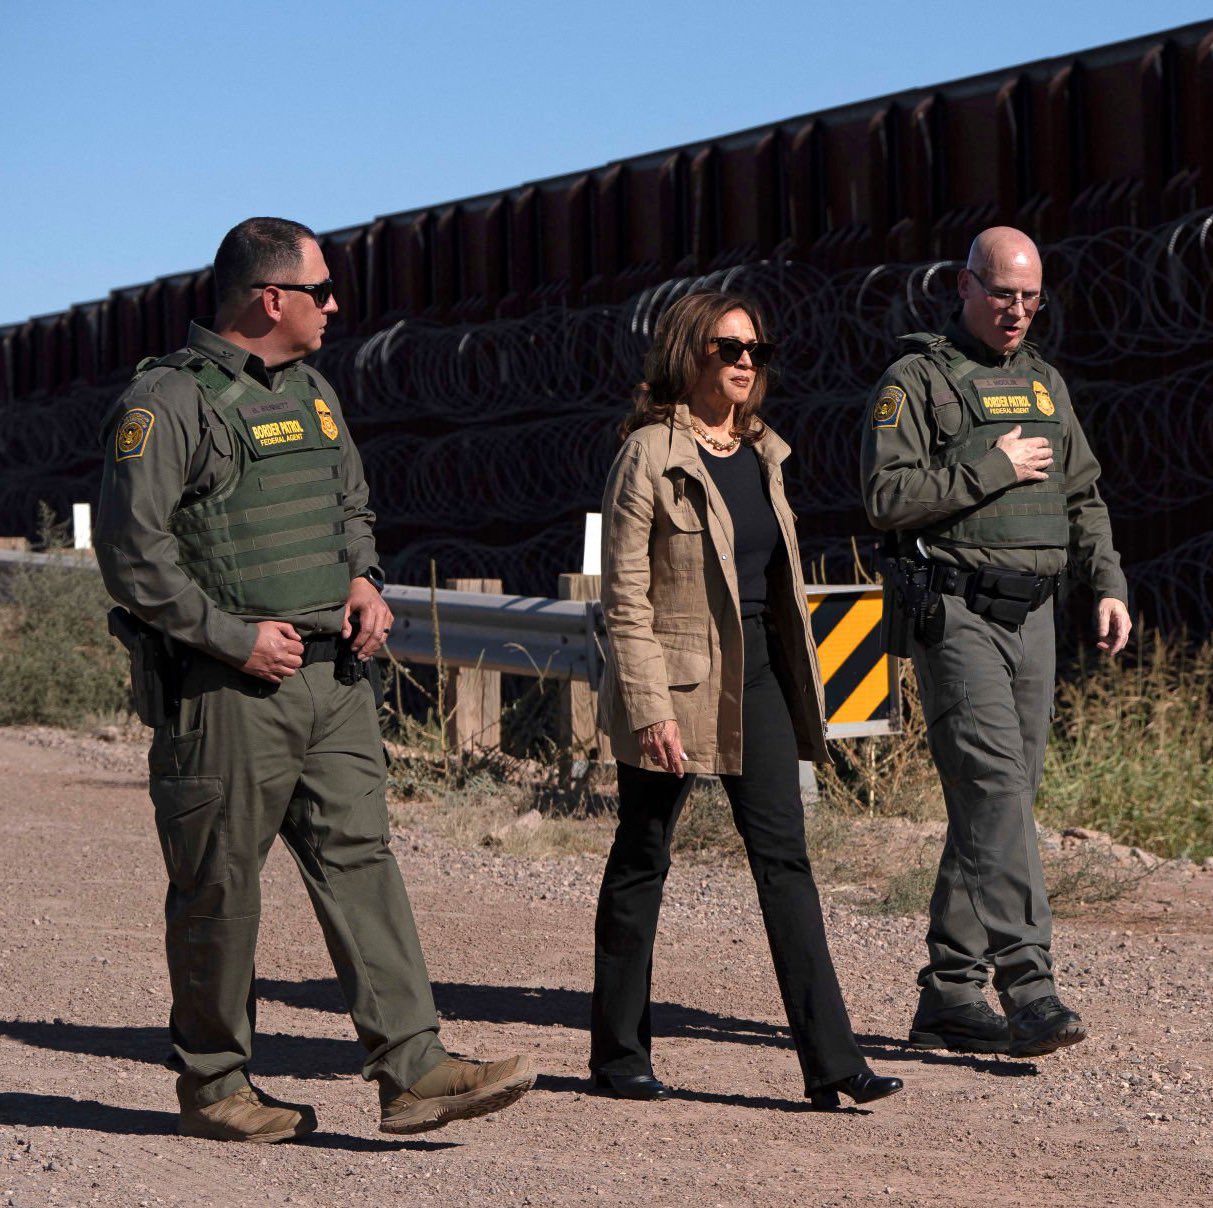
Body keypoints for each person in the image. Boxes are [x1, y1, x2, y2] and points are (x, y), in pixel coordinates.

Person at [95, 217, 534, 1142]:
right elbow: (135, 555)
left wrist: (363, 581)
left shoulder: (315, 391)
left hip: (331, 684)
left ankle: (412, 1070)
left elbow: (349, 504)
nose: (336, 306)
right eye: (322, 290)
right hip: (223, 694)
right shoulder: (169, 404)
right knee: (220, 890)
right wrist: (229, 637)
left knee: (361, 864)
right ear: (271, 299)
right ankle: (215, 1086)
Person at [589, 290, 903, 1110]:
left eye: (755, 351)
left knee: (785, 862)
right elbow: (622, 596)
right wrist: (648, 705)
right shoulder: (649, 455)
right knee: (642, 856)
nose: (743, 362)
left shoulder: (764, 451)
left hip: (758, 677)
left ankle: (833, 1062)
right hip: (679, 682)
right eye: (727, 348)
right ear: (686, 354)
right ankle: (618, 1055)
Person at [861, 226, 1132, 1059]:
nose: (1016, 312)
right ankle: (1028, 984)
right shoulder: (915, 381)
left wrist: (1109, 581)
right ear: (963, 287)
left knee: (998, 803)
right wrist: (992, 468)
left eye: (1029, 297)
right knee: (995, 793)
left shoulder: (1043, 384)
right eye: (1002, 294)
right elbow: (882, 495)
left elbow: (1082, 492)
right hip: (958, 614)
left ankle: (948, 991)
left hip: (1035, 618)